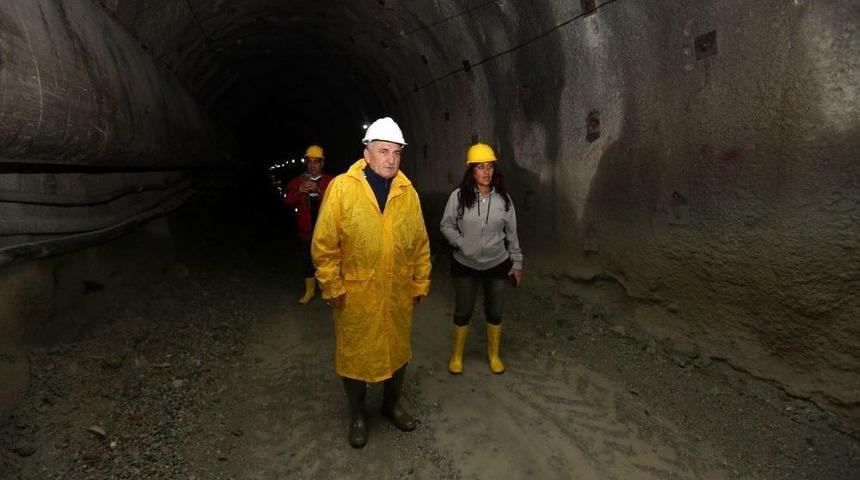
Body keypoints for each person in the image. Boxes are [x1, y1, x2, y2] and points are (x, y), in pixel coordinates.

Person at [311, 117, 431, 448]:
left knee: (397, 351)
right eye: (383, 151)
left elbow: (420, 242)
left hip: (396, 291)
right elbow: (324, 245)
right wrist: (332, 286)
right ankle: (358, 414)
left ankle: (392, 405)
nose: (390, 159)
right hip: (356, 294)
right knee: (355, 356)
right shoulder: (342, 189)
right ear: (367, 153)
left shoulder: (408, 192)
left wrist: (420, 281)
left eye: (396, 152)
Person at [440, 142, 523, 375]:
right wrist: (460, 242)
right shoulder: (458, 197)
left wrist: (517, 263)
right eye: (480, 167)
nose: (486, 172)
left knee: (495, 312)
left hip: (497, 264)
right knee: (463, 311)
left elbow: (512, 234)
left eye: (489, 167)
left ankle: (494, 356)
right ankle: (456, 356)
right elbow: (446, 225)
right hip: (465, 264)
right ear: (471, 171)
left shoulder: (504, 200)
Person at [284, 145, 333, 304]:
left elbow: (338, 203)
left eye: (316, 162)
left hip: (326, 231)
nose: (312, 165)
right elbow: (288, 202)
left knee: (327, 260)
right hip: (306, 230)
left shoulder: (330, 182)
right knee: (307, 260)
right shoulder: (297, 181)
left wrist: (319, 191)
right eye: (309, 162)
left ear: (322, 163)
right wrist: (299, 190)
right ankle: (310, 292)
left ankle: (328, 291)